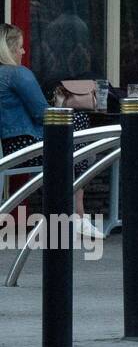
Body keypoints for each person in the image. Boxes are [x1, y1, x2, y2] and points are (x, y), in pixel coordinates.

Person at [0, 23, 98, 240]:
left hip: (7, 148)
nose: (23, 52)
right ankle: (77, 213)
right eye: (21, 47)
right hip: (26, 145)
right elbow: (43, 114)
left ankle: (72, 213)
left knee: (78, 146)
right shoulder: (17, 74)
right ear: (9, 49)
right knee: (79, 123)